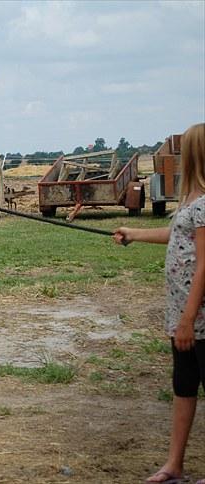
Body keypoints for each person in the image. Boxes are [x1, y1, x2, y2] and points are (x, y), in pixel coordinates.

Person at [114, 122, 205, 484]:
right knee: (183, 386)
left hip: (197, 318)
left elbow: (204, 265)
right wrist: (134, 234)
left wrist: (188, 320)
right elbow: (175, 234)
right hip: (184, 315)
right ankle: (174, 465)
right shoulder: (192, 201)